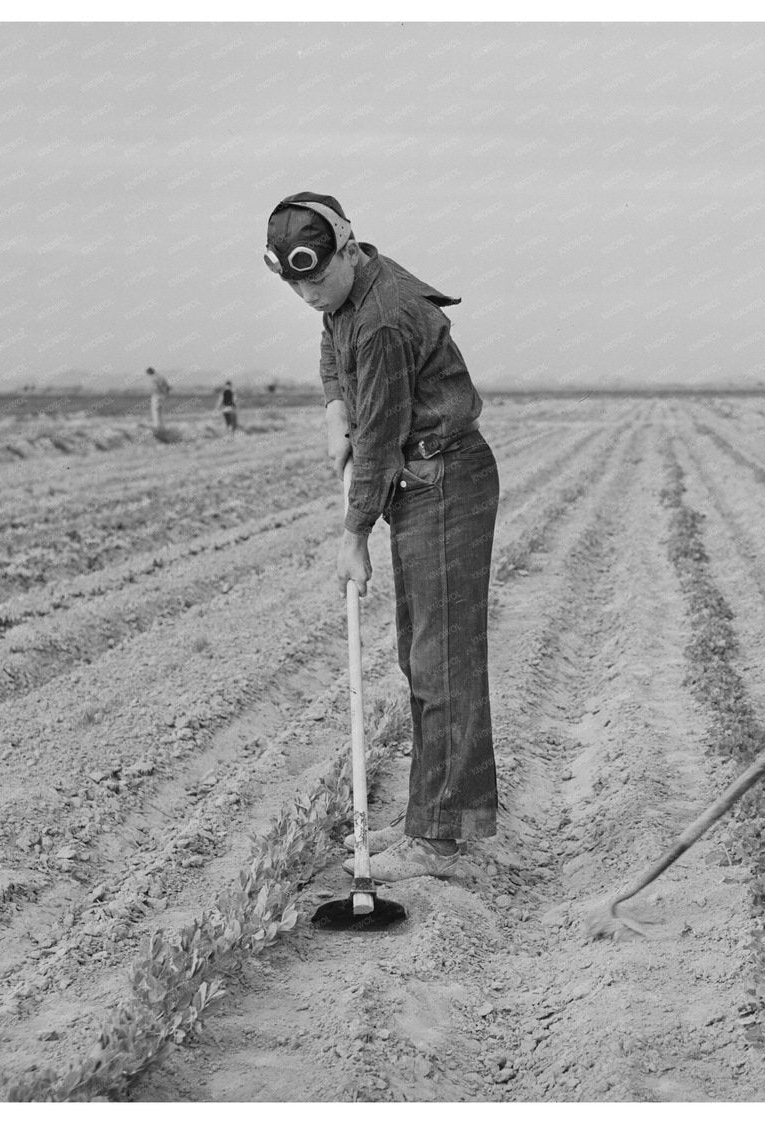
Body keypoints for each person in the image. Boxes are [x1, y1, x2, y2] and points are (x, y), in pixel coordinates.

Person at [265, 191, 499, 881]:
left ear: (346, 247)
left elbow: (380, 439)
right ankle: (443, 821)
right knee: (422, 653)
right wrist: (334, 404)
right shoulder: (347, 296)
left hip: (445, 480)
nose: (309, 295)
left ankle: (442, 841)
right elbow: (332, 348)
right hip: (421, 483)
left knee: (442, 661)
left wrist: (353, 535)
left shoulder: (385, 319)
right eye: (295, 284)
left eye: (316, 277)